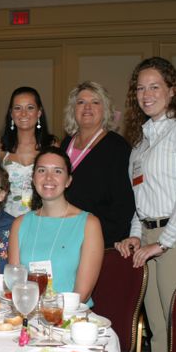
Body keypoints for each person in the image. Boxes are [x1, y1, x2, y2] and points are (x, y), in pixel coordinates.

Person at [115, 56, 176, 352]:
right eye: (141, 88)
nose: (147, 95)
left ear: (172, 90)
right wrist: (136, 235)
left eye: (155, 86)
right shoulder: (141, 145)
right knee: (159, 332)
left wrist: (164, 242)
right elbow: (141, 201)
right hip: (150, 239)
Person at [8, 147, 104, 304]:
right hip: (28, 313)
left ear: (68, 181)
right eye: (41, 170)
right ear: (33, 179)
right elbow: (15, 286)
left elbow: (82, 295)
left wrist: (50, 316)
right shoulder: (20, 224)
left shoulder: (88, 224)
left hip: (69, 319)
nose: (48, 178)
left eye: (57, 171)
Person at [61, 81, 135, 247]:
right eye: (81, 102)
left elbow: (124, 204)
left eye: (95, 102)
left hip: (98, 239)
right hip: (63, 235)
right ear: (73, 110)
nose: (87, 107)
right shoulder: (66, 144)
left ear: (105, 110)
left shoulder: (117, 147)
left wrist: (102, 241)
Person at [0, 87, 55, 217]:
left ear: (39, 112)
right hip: (7, 220)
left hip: (43, 218)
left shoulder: (51, 146)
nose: (23, 114)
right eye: (18, 108)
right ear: (11, 114)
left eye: (30, 107)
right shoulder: (0, 149)